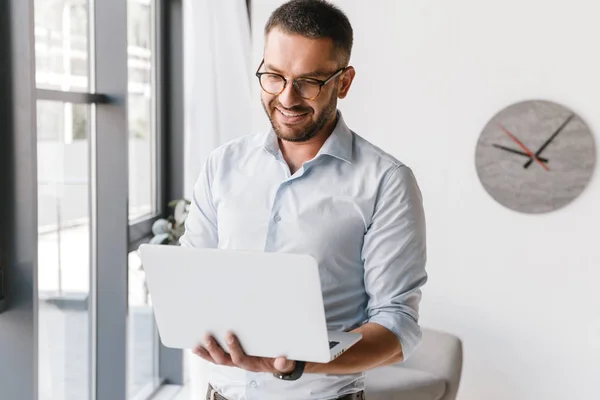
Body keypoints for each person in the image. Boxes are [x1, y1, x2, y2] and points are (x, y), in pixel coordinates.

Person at [179, 0, 427, 399]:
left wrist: (302, 362)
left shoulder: (386, 181)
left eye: (309, 81)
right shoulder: (221, 165)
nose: (287, 98)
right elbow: (191, 278)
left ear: (344, 83)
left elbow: (398, 327)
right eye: (274, 76)